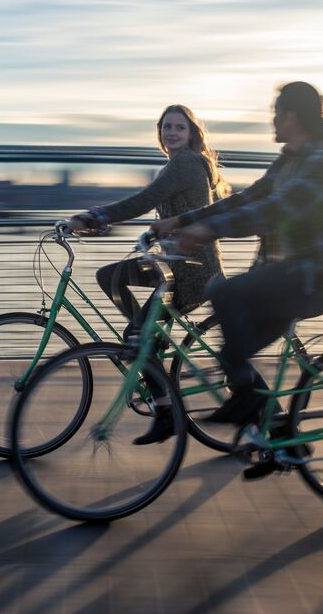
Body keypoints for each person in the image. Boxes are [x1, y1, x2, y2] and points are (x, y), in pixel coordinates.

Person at [152, 81, 323, 434]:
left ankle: (246, 399)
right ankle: (285, 439)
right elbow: (243, 201)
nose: (272, 121)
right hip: (289, 275)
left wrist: (207, 231)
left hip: (318, 276)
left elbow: (274, 210)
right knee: (234, 353)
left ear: (291, 116)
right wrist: (184, 221)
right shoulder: (289, 161)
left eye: (275, 114)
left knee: (225, 294)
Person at [69, 104, 229, 444]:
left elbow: (143, 201)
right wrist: (152, 234)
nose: (171, 133)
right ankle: (149, 337)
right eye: (166, 127)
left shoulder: (185, 163)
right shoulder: (176, 165)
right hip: (171, 265)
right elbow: (177, 211)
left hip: (193, 273)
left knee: (137, 335)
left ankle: (165, 411)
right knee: (108, 276)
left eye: (179, 128)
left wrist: (92, 217)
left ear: (191, 134)